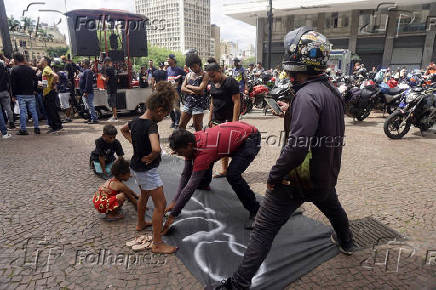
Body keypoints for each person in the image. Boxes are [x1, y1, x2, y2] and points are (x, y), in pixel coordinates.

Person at [215, 27, 354, 290]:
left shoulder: (306, 95)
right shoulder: (331, 91)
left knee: (264, 228)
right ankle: (347, 241)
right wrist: (292, 112)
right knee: (333, 208)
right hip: (324, 174)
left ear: (295, 62)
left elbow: (297, 147)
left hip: (296, 178)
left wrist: (274, 175)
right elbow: (321, 124)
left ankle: (238, 284)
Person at [163, 121, 261, 233]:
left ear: (189, 145)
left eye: (180, 152)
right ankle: (204, 184)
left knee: (233, 175)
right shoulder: (192, 140)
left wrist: (174, 214)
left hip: (250, 139)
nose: (179, 155)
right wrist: (175, 201)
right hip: (237, 133)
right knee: (202, 162)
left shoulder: (204, 151)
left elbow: (190, 186)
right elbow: (186, 173)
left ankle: (256, 210)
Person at [120, 81, 178, 254]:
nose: (164, 118)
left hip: (136, 167)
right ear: (160, 110)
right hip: (147, 170)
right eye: (165, 115)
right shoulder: (151, 125)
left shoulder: (136, 121)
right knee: (161, 205)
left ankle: (140, 223)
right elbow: (156, 148)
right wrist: (153, 155)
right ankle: (157, 243)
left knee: (144, 196)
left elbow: (123, 129)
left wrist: (133, 142)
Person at [205, 61, 241, 179]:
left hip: (229, 118)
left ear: (219, 71)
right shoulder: (212, 83)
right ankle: (225, 170)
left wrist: (234, 122)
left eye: (213, 75)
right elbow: (212, 102)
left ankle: (236, 169)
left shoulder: (230, 82)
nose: (212, 78)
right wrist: (210, 118)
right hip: (217, 118)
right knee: (221, 145)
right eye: (210, 76)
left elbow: (236, 101)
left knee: (232, 146)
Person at [179, 50, 209, 131]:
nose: (193, 68)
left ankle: (199, 143)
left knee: (197, 127)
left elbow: (200, 89)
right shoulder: (188, 74)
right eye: (191, 67)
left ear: (199, 64)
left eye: (194, 66)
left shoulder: (205, 74)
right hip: (188, 103)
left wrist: (188, 86)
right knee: (181, 124)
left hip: (198, 104)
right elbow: (182, 88)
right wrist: (193, 91)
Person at [10, 53, 40, 135]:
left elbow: (13, 84)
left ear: (15, 60)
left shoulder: (14, 70)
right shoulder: (30, 69)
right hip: (30, 93)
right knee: (33, 111)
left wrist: (13, 95)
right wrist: (35, 89)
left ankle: (23, 129)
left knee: (23, 112)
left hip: (20, 94)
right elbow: (36, 80)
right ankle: (37, 128)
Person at [41, 56, 63, 133]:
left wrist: (53, 85)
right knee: (51, 109)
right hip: (48, 92)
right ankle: (57, 125)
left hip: (49, 93)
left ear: (45, 61)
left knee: (51, 110)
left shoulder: (47, 68)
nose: (40, 60)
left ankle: (55, 126)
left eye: (41, 59)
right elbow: (46, 82)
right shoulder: (46, 68)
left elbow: (56, 76)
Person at [167, 54, 186, 128]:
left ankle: (177, 123)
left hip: (176, 92)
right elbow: (167, 79)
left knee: (176, 107)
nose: (167, 61)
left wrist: (180, 82)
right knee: (170, 108)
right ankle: (173, 121)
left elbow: (185, 77)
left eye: (169, 59)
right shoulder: (168, 69)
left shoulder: (179, 69)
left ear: (173, 60)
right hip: (169, 92)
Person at [80, 59, 98, 124]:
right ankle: (90, 118)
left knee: (90, 105)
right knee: (87, 106)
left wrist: (86, 91)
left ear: (84, 63)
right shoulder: (85, 71)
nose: (81, 63)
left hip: (88, 92)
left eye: (82, 62)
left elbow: (88, 82)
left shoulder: (88, 71)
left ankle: (94, 119)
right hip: (85, 92)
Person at [102, 57, 118, 122]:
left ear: (107, 62)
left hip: (110, 88)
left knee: (112, 102)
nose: (104, 64)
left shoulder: (108, 69)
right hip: (114, 87)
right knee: (113, 102)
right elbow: (117, 79)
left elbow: (106, 79)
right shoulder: (114, 69)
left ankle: (115, 117)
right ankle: (114, 116)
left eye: (104, 63)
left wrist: (101, 77)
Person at [0, 56, 14, 129]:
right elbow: (8, 82)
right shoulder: (5, 71)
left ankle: (2, 125)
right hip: (5, 91)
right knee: (8, 108)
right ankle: (11, 123)